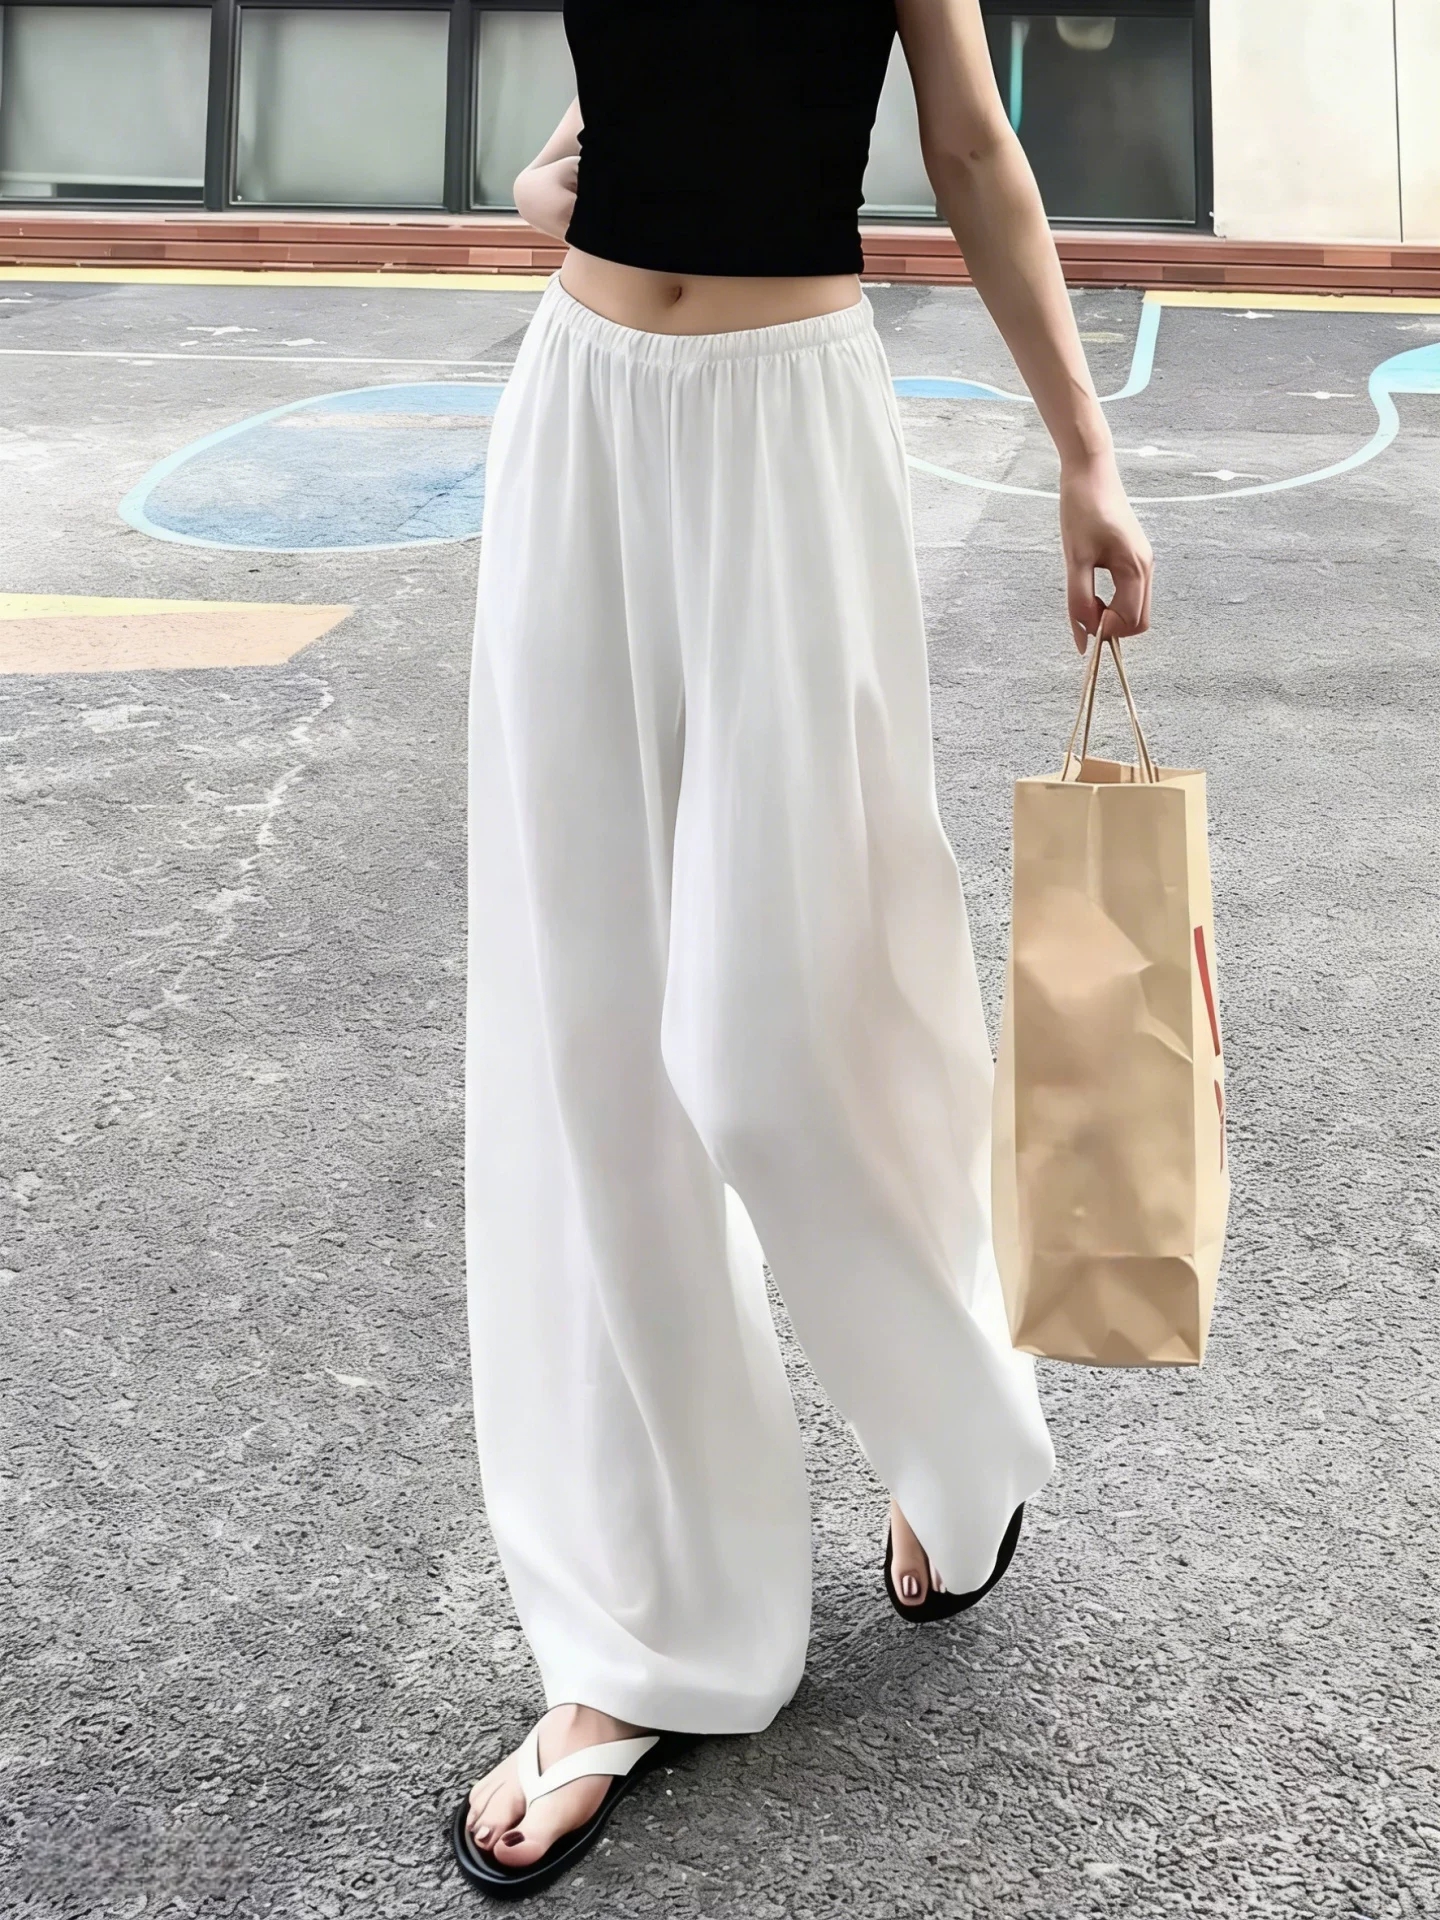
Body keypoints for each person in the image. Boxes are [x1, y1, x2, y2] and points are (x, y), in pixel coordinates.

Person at [454, 0, 1153, 1896]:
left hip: (784, 430)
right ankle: (645, 1638)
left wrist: (1085, 453)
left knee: (791, 1038)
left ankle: (961, 1437)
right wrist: (552, 177)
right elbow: (634, 85)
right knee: (594, 1048)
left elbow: (973, 146)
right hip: (582, 410)